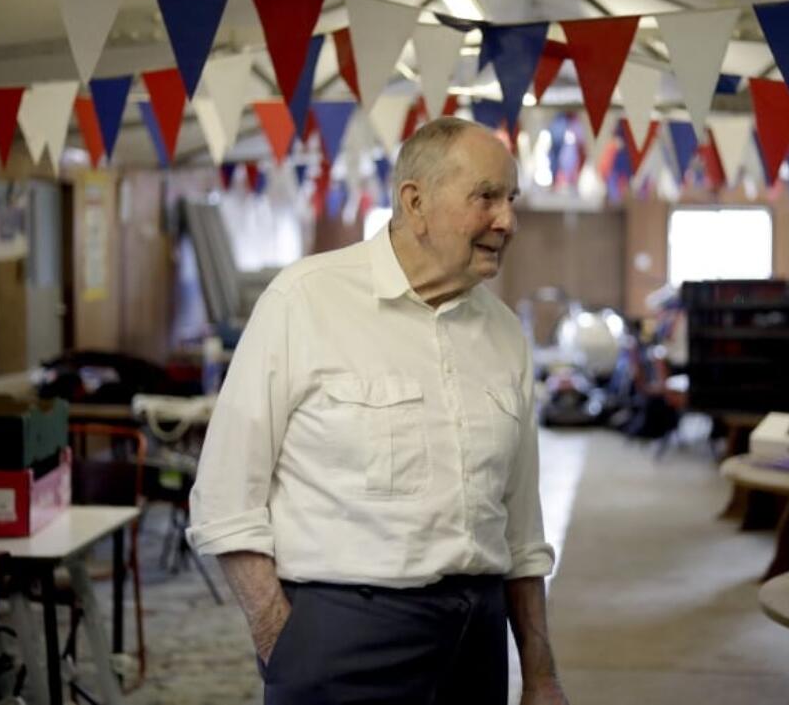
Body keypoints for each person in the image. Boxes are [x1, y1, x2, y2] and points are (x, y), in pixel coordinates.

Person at [187, 117, 568, 704]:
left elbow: (521, 531)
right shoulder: (303, 301)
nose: (507, 221)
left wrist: (540, 674)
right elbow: (223, 499)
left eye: (510, 199)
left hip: (477, 642)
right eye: (486, 197)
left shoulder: (503, 334)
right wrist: (282, 642)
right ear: (415, 203)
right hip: (342, 639)